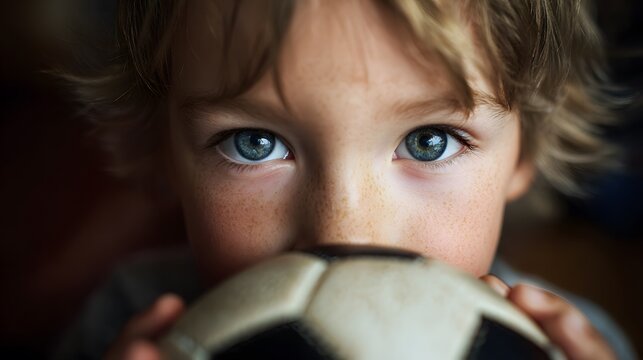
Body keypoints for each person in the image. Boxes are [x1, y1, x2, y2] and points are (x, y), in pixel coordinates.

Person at [55, 0, 636, 359]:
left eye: (428, 142)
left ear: (523, 152)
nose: (346, 231)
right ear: (165, 155)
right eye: (255, 144)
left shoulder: (563, 345)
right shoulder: (123, 324)